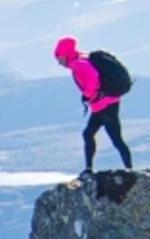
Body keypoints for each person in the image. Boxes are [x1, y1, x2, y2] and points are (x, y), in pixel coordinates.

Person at [55, 37, 132, 189]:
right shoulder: (82, 57)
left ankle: (129, 170)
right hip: (103, 104)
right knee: (89, 134)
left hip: (105, 105)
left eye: (59, 58)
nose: (60, 63)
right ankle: (91, 168)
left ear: (65, 54)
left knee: (115, 138)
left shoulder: (78, 64)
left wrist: (89, 94)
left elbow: (92, 77)